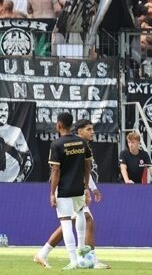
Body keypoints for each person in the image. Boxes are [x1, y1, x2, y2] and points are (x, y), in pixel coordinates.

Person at [43, 111, 92, 270]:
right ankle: (81, 248)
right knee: (79, 213)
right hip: (79, 188)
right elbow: (87, 166)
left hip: (64, 189)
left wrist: (52, 192)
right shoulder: (82, 142)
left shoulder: (56, 144)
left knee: (65, 222)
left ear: (59, 125)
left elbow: (55, 170)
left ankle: (74, 260)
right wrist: (85, 187)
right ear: (71, 125)